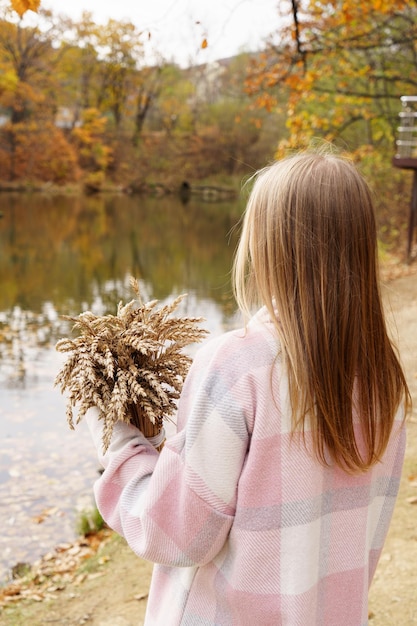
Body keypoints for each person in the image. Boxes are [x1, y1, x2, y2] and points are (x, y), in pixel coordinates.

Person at [86, 149, 410, 625]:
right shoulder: (385, 379)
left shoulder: (239, 365)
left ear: (269, 245)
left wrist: (119, 442)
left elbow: (177, 535)